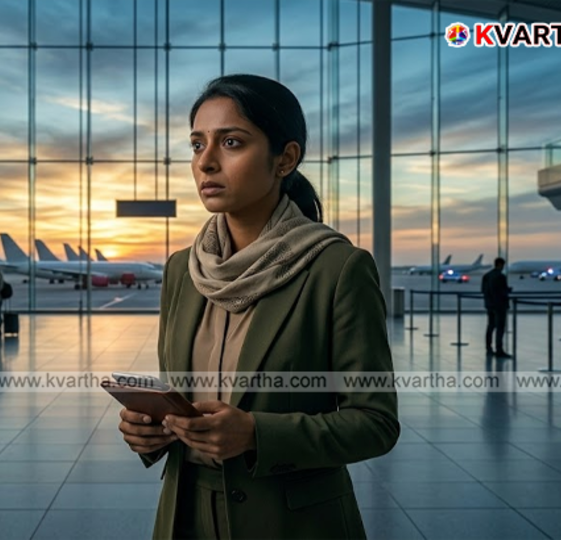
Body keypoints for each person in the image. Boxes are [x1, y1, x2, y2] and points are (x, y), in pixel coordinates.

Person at [116, 74, 400, 540]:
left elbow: (376, 422)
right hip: (185, 514)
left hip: (293, 522)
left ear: (285, 158)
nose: (206, 162)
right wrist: (152, 428)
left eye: (231, 142)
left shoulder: (337, 268)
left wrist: (256, 434)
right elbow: (184, 395)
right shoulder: (182, 269)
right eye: (196, 144)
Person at [481, 257, 511, 358]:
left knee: (490, 326)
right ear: (500, 264)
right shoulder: (501, 276)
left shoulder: (487, 276)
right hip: (500, 305)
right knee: (500, 328)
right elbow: (502, 292)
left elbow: (483, 290)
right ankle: (499, 350)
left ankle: (489, 348)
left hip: (489, 304)